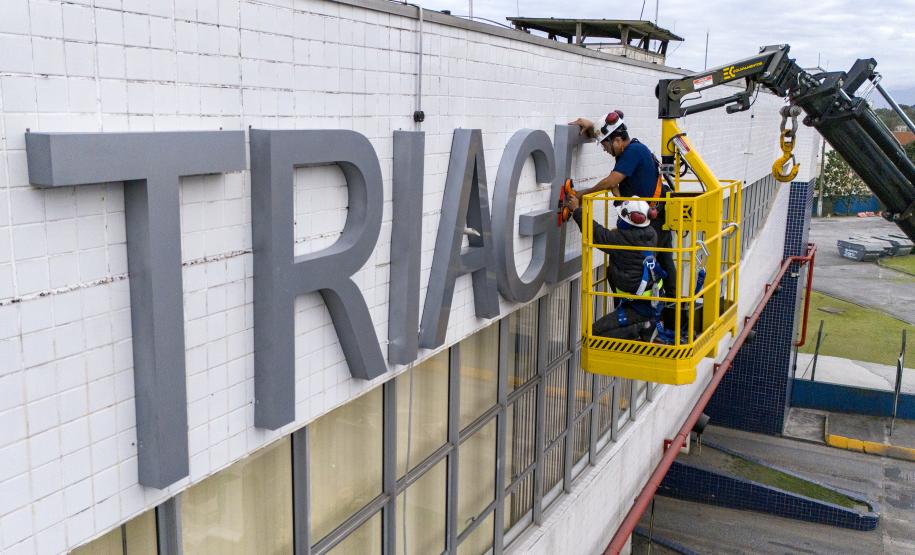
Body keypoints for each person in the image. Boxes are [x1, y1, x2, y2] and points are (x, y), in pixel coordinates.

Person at [570, 110, 677, 287]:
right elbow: (616, 183)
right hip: (653, 215)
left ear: (618, 141)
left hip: (652, 221)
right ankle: (672, 307)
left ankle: (661, 307)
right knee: (662, 261)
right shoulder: (632, 149)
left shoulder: (633, 152)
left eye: (605, 146)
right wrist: (593, 128)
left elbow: (611, 181)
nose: (605, 150)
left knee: (650, 264)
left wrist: (582, 194)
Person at [566, 194, 661, 340]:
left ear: (627, 221)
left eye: (620, 218)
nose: (618, 221)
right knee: (611, 270)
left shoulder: (620, 240)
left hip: (638, 307)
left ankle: (641, 328)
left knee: (594, 333)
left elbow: (596, 233)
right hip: (649, 298)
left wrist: (577, 210)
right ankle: (643, 327)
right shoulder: (651, 234)